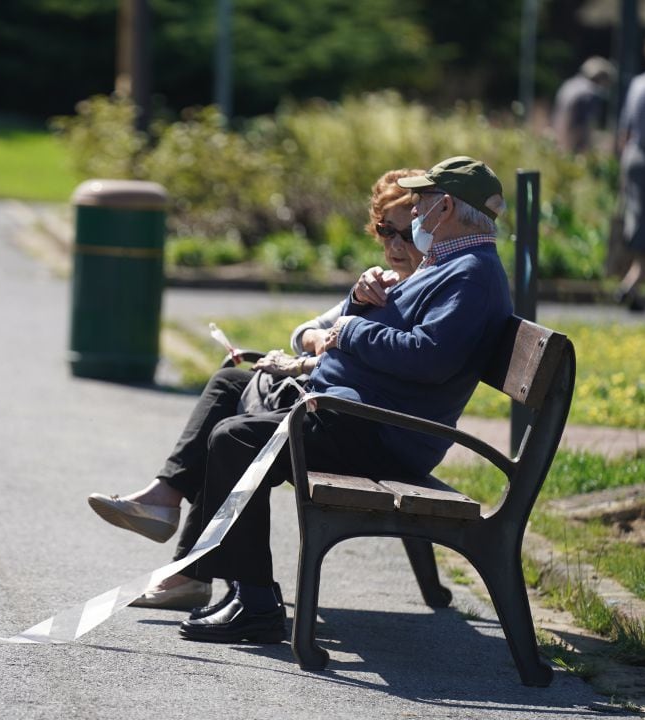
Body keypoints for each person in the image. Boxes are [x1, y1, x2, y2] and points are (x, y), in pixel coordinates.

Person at [87, 168, 427, 612]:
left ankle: (207, 574)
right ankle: (167, 504)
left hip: (365, 426)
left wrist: (345, 337)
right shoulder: (380, 282)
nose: (396, 246)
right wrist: (327, 333)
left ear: (430, 228)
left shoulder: (424, 289)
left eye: (407, 234)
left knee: (235, 433)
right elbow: (306, 329)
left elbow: (408, 360)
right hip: (339, 407)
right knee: (229, 385)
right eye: (386, 232)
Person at [616, 40, 645, 313]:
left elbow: (624, 130)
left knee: (639, 222)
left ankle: (632, 284)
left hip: (633, 156)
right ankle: (632, 283)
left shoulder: (637, 83)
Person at [551, 56, 615, 155]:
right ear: (599, 77)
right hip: (574, 145)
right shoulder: (589, 94)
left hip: (559, 139)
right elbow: (586, 127)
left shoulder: (570, 84)